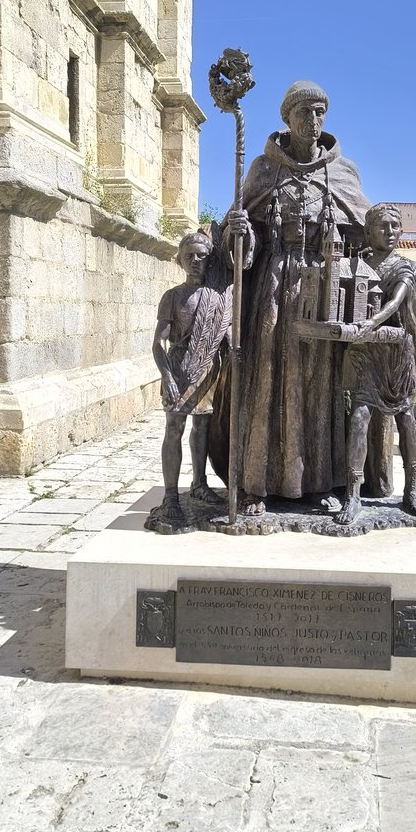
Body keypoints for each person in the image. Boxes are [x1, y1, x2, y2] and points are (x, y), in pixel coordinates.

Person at [212, 80, 374, 515]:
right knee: (268, 377)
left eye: (320, 112)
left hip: (320, 289)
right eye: (304, 112)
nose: (314, 120)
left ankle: (318, 480)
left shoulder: (342, 173)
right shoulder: (264, 170)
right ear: (287, 117)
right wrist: (238, 233)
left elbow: (367, 232)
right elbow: (237, 238)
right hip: (273, 288)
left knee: (319, 383)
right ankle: (258, 484)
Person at [336, 203, 416, 525]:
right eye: (382, 226)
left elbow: (397, 301)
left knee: (406, 420)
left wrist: (370, 323)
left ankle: (412, 491)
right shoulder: (356, 264)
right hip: (367, 352)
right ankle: (353, 495)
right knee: (360, 417)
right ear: (368, 231)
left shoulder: (407, 267)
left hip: (397, 352)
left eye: (394, 226)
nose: (389, 232)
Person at [148, 231, 230, 529]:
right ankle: (171, 495)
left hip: (207, 369)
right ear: (180, 259)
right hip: (178, 369)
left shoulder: (217, 298)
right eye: (190, 256)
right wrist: (166, 375)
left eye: (202, 256)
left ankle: (199, 483)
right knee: (174, 428)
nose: (196, 261)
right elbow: (158, 343)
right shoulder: (173, 297)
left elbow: (225, 335)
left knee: (203, 426)